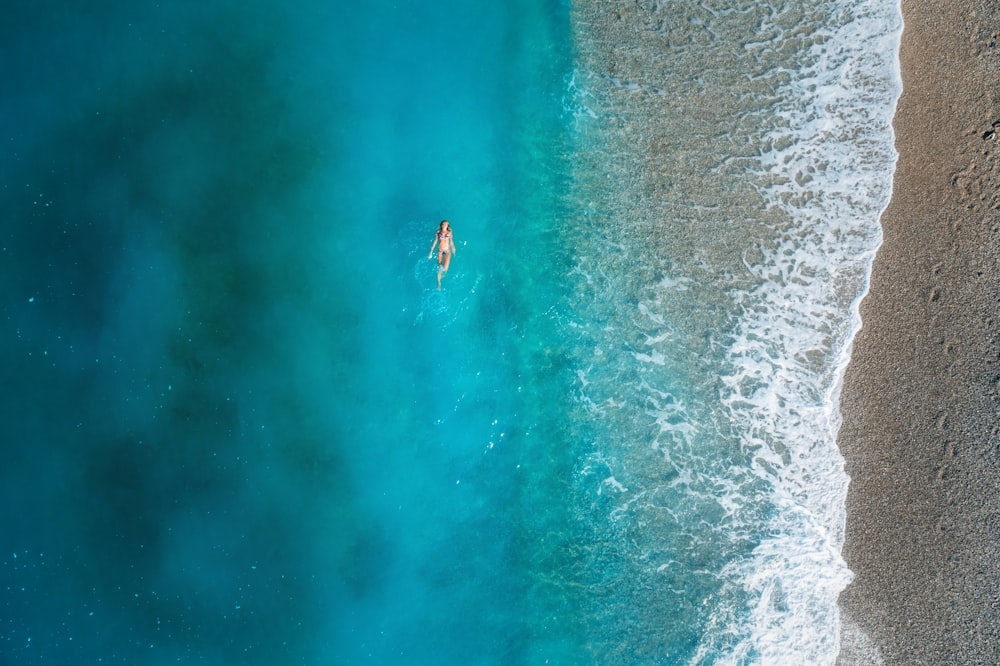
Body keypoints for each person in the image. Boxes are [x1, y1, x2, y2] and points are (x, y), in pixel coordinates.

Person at [428, 219, 456, 289]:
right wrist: (431, 251)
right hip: (440, 251)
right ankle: (438, 281)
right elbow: (435, 242)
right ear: (441, 225)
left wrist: (453, 249)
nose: (444, 225)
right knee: (440, 268)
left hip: (447, 252)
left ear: (447, 226)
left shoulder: (449, 233)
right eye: (443, 224)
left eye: (446, 224)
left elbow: (451, 242)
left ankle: (441, 278)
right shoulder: (438, 233)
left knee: (445, 269)